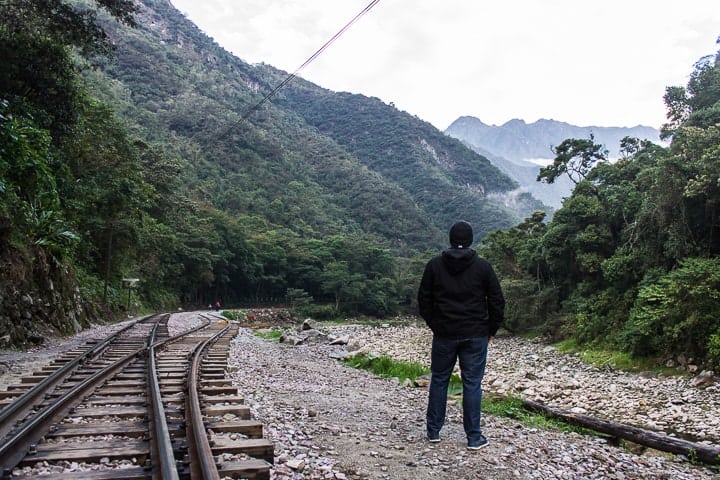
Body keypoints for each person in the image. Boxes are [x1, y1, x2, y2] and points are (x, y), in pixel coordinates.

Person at [417, 220, 505, 450]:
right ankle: (474, 438)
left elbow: (423, 300)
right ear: (470, 240)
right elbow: (497, 300)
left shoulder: (434, 266)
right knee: (472, 384)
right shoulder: (483, 267)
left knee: (439, 380)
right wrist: (491, 329)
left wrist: (435, 324)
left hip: (444, 333)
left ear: (451, 239)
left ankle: (433, 431)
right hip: (475, 334)